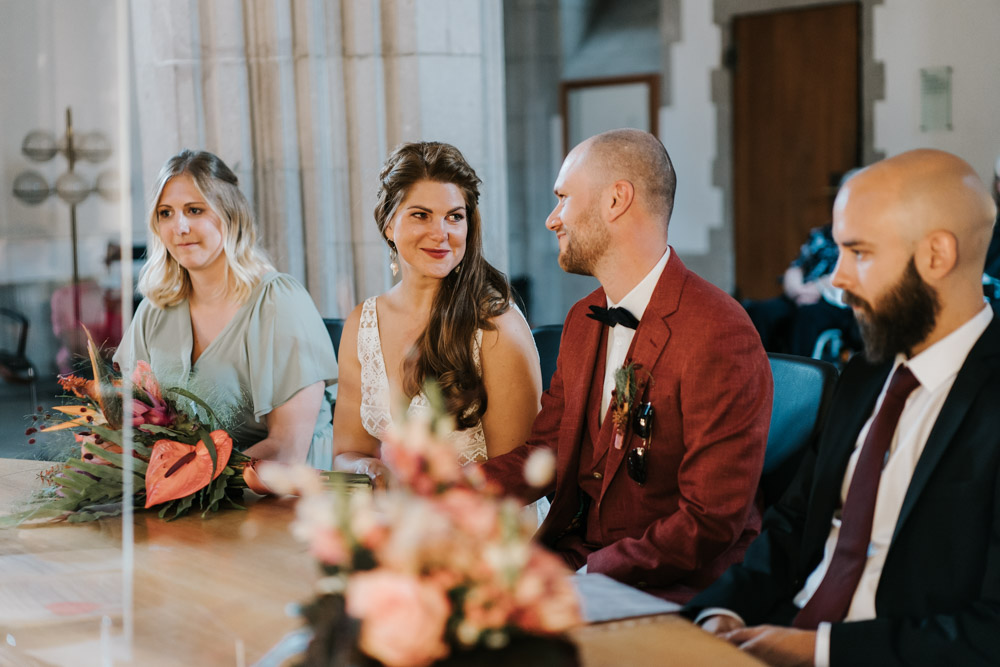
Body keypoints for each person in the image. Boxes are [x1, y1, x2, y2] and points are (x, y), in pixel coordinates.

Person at [686, 149, 1000, 667]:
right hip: (777, 634)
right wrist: (721, 613)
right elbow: (792, 525)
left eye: (860, 253)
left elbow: (990, 631)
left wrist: (821, 652)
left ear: (937, 256)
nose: (837, 279)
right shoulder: (865, 374)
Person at [480, 129, 773, 603]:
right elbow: (547, 451)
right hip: (576, 562)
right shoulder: (582, 319)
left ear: (616, 200)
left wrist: (587, 577)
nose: (553, 219)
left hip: (675, 586)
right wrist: (443, 493)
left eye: (563, 198)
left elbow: (708, 520)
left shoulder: (720, 333)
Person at [332, 141, 542, 486]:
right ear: (388, 225)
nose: (440, 233)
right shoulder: (362, 323)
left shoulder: (496, 327)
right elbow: (346, 453)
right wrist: (368, 470)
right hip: (397, 520)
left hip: (488, 526)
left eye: (454, 217)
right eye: (421, 215)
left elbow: (519, 478)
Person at [114, 150, 337, 468]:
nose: (179, 227)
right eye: (166, 213)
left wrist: (187, 477)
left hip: (285, 496)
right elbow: (130, 422)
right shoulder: (155, 310)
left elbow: (287, 450)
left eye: (194, 210)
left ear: (231, 215)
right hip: (187, 499)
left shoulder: (278, 301)